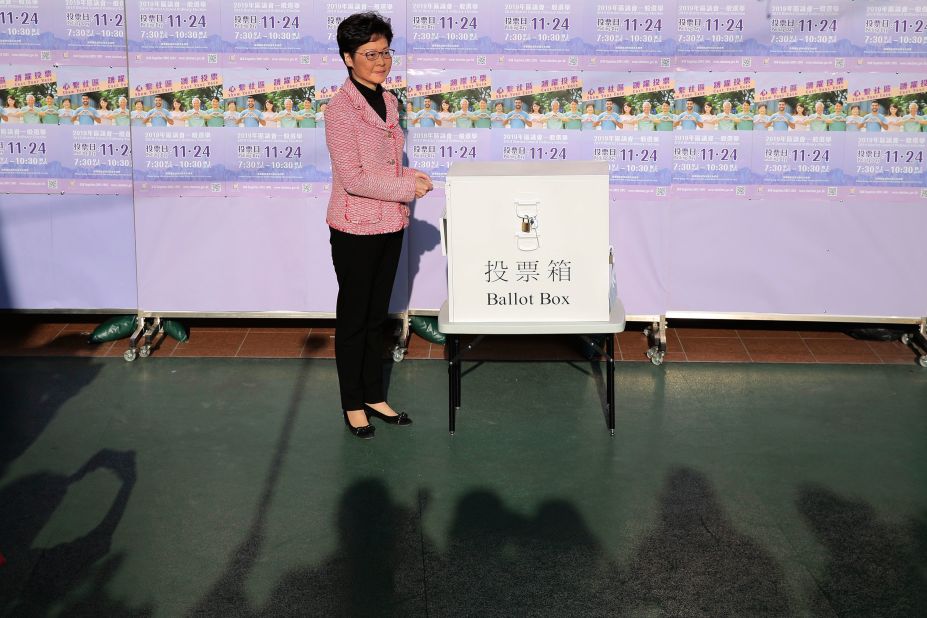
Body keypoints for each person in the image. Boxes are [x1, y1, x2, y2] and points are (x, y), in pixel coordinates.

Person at [326, 12, 433, 438]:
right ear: (348, 58)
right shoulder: (339, 110)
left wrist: (407, 181)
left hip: (389, 223)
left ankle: (373, 394)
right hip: (354, 228)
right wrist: (407, 184)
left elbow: (385, 162)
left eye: (385, 51)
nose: (381, 61)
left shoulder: (388, 100)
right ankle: (352, 403)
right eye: (370, 53)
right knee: (354, 319)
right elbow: (352, 179)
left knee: (376, 319)